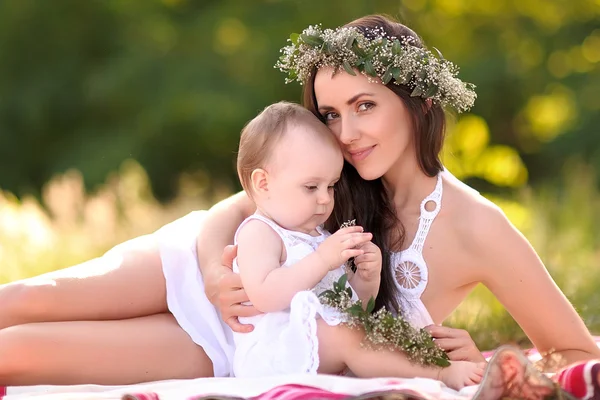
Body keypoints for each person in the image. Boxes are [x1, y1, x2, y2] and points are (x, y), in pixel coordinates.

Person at [0, 13, 597, 387]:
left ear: (415, 101)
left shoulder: (477, 227)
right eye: (331, 113)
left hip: (244, 344)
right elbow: (234, 209)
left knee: (21, 353)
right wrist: (212, 269)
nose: (346, 133)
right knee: (28, 298)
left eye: (366, 106)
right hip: (207, 273)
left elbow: (575, 351)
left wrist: (474, 360)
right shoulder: (333, 176)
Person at [228, 100, 483, 389]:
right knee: (348, 335)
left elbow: (353, 309)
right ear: (263, 183)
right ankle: (439, 375)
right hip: (275, 354)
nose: (325, 199)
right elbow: (265, 296)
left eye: (331, 186)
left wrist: (365, 280)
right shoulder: (260, 232)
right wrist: (323, 259)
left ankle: (434, 363)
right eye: (311, 187)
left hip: (323, 347)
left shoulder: (317, 236)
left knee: (367, 330)